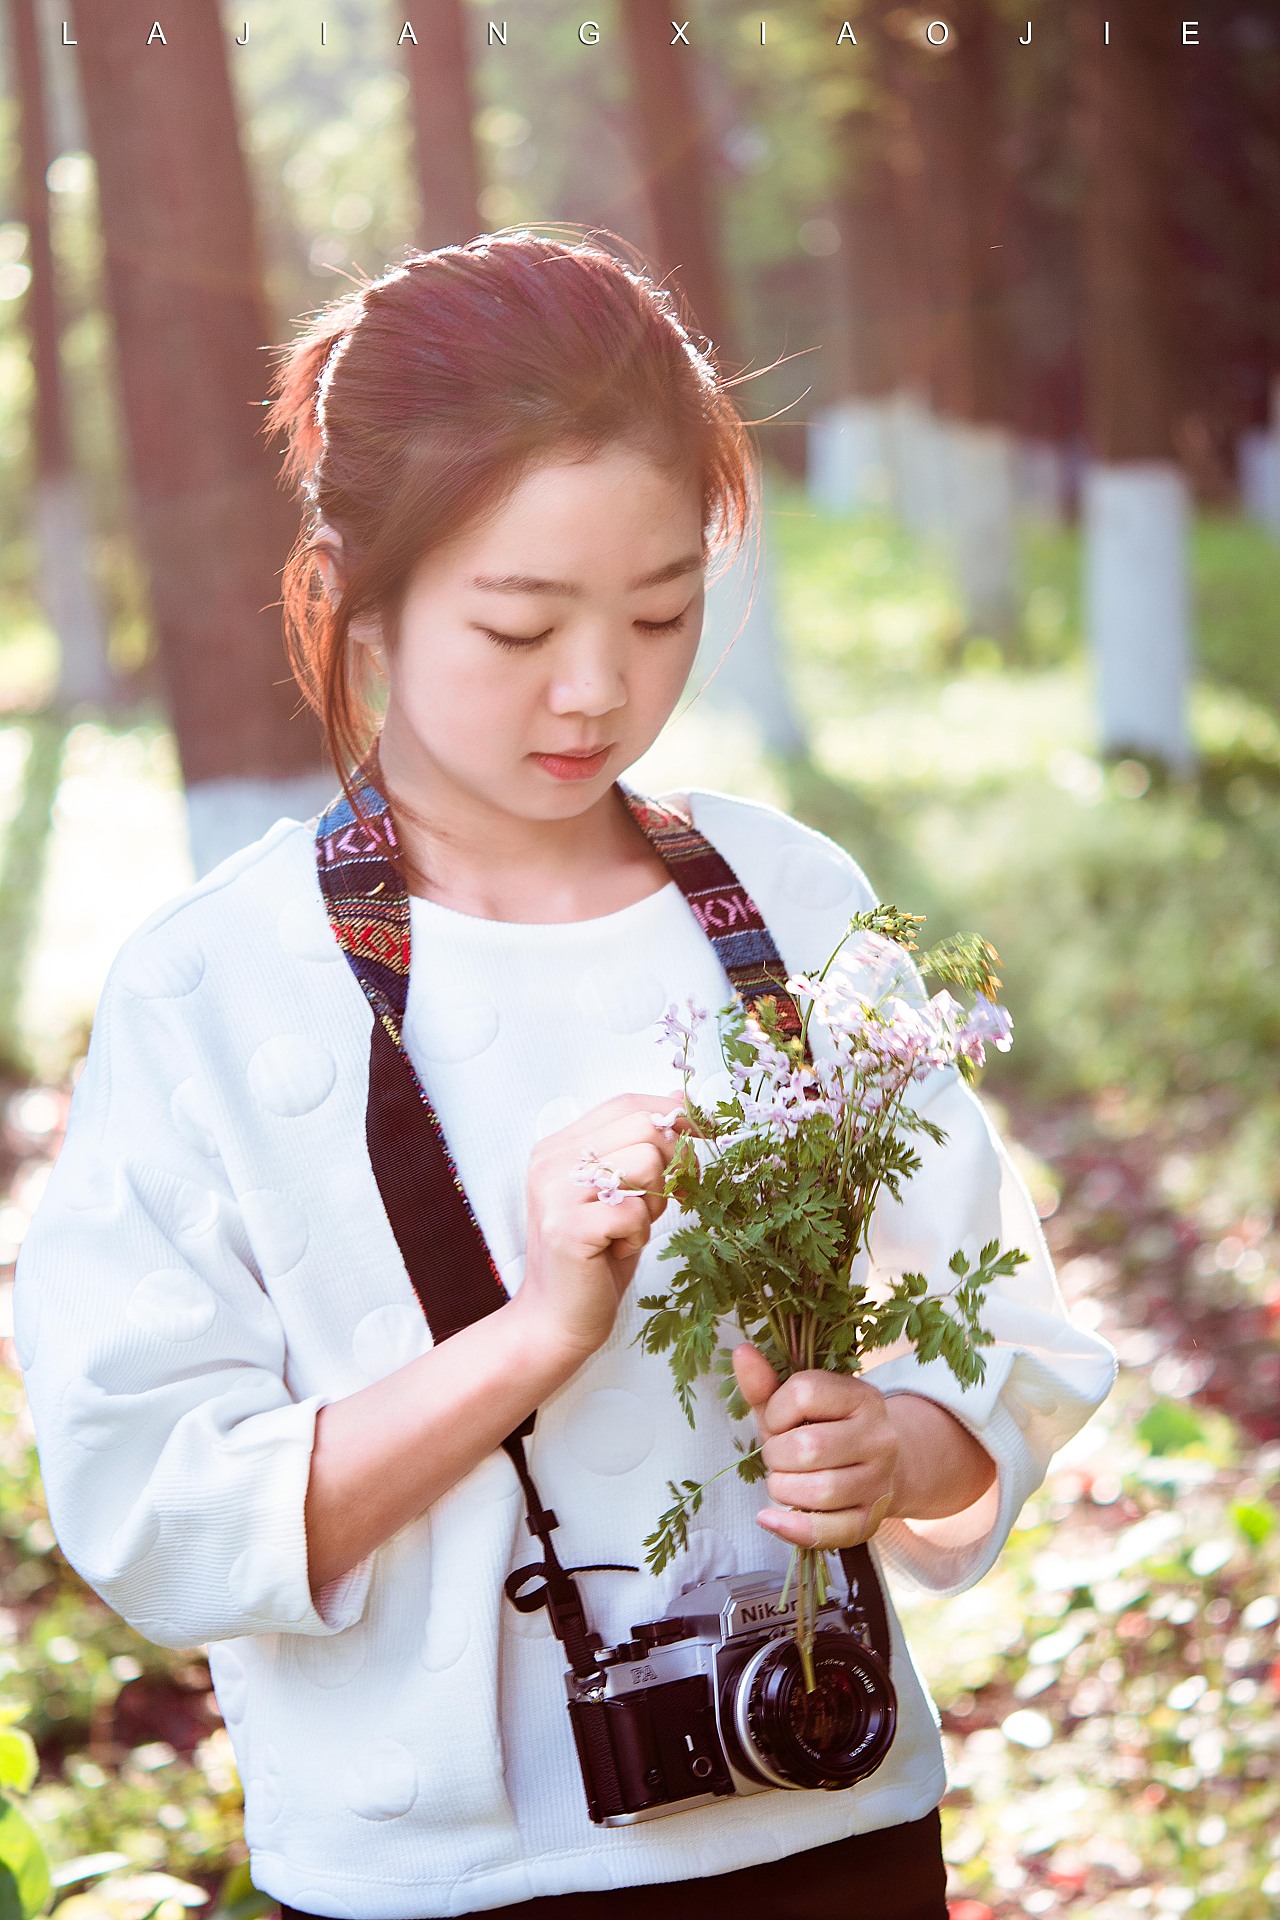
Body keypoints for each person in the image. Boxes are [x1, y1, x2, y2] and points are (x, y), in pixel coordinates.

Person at [15, 235, 1115, 1920]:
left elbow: (1005, 1360)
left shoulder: (790, 910)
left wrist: (896, 1446)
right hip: (429, 1879)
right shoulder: (212, 988)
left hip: (826, 1820)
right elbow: (154, 1510)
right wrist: (535, 1336)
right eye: (520, 623)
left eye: (664, 609)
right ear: (353, 595)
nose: (600, 687)